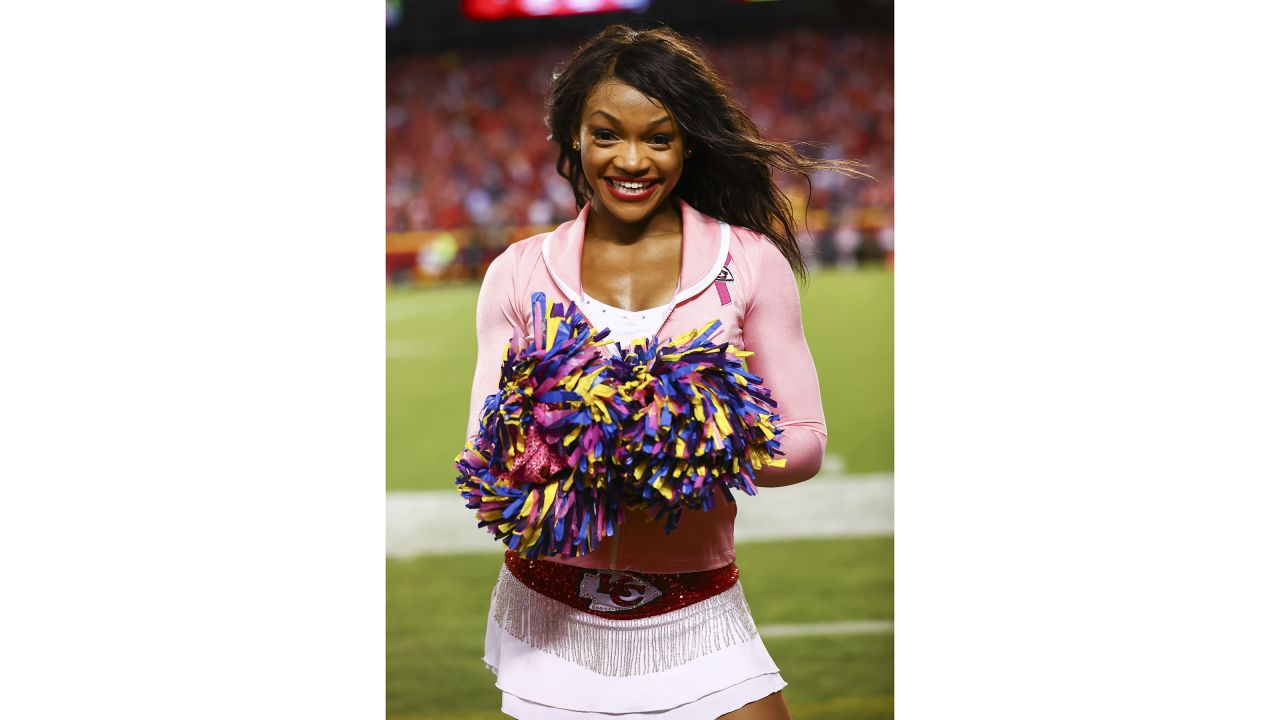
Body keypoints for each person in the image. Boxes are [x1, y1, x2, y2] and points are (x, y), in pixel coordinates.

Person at [463, 24, 864, 719]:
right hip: (551, 613)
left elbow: (804, 439)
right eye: (607, 133)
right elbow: (484, 455)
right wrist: (567, 443)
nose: (632, 159)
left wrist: (685, 446)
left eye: (659, 136)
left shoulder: (747, 262)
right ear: (575, 139)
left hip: (697, 603)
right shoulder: (518, 272)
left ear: (687, 144)